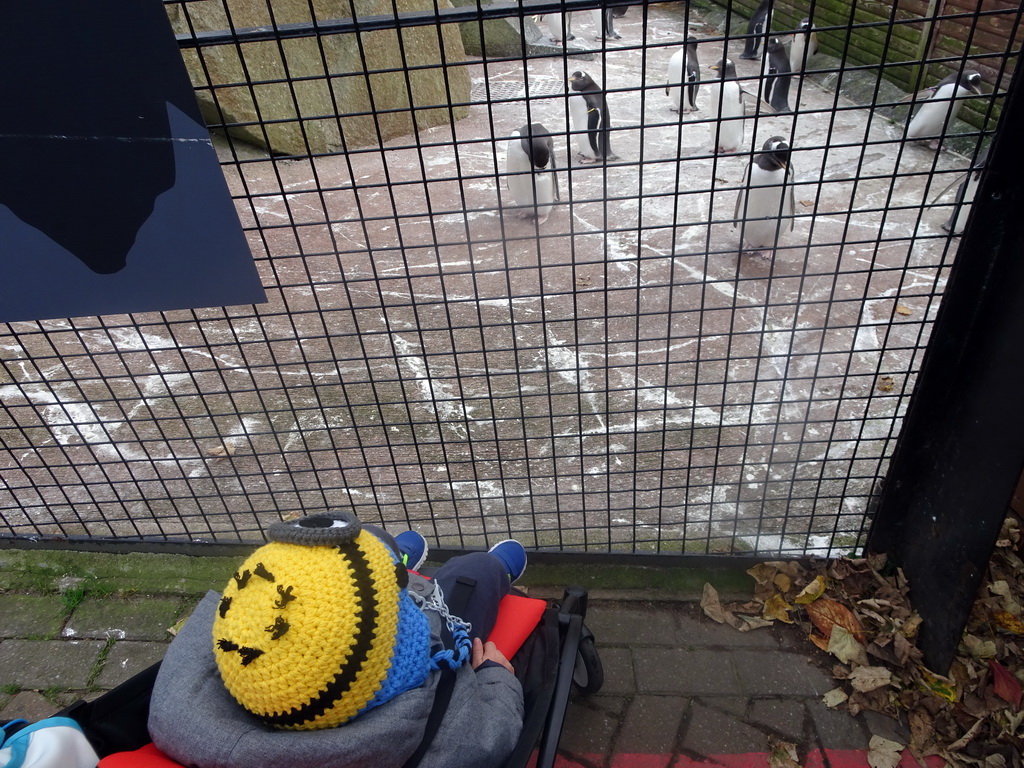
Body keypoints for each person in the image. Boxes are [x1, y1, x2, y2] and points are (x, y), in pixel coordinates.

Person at [147, 512, 529, 768]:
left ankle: (396, 562)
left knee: (369, 543)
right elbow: (493, 734)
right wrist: (495, 675)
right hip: (433, 634)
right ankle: (481, 567)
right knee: (475, 571)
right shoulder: (440, 739)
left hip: (338, 633)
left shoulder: (181, 706)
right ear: (392, 666)